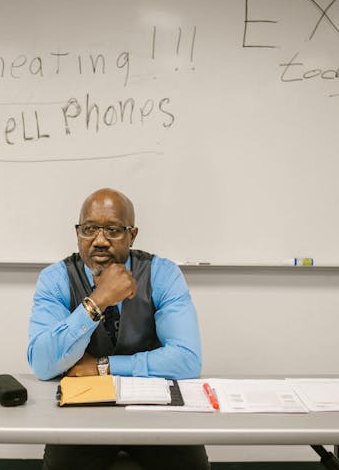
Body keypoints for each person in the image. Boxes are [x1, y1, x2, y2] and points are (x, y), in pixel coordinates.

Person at [27, 188, 210, 470]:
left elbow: (186, 360)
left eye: (112, 230)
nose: (99, 241)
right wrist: (98, 300)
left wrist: (104, 366)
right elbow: (42, 363)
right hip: (83, 410)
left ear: (132, 235)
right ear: (77, 233)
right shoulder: (55, 279)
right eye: (89, 229)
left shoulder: (162, 273)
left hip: (156, 408)